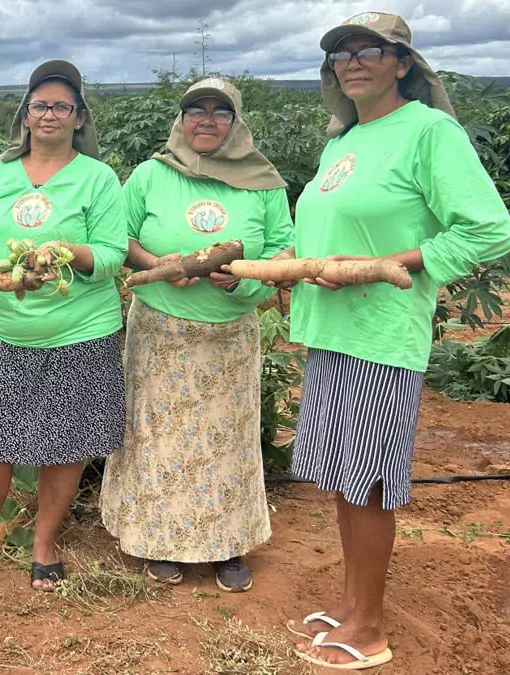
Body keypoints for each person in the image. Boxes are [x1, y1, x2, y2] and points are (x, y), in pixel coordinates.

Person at [284, 12, 510, 670]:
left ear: (402, 63)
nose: (352, 62)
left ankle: (371, 628)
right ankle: (352, 607)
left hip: (380, 334)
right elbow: (325, 234)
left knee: (368, 485)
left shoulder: (429, 131)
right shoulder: (345, 139)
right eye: (341, 54)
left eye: (369, 51)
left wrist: (398, 263)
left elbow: (490, 228)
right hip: (330, 331)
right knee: (341, 479)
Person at [100, 78, 292, 593]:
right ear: (181, 119)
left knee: (226, 440)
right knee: (157, 438)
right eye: (196, 110)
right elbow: (121, 236)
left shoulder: (264, 182)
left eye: (220, 112)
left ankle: (229, 545)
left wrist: (244, 275)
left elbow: (283, 248)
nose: (206, 120)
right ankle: (158, 541)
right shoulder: (150, 174)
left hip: (229, 335)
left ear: (236, 122)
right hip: (159, 330)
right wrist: (155, 263)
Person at [0, 60, 127, 591]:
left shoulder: (98, 178)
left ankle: (44, 542)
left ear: (78, 117)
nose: (48, 114)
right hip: (7, 330)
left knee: (68, 442)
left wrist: (70, 250)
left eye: (61, 106)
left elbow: (114, 253)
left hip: (81, 330)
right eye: (39, 104)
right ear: (24, 114)